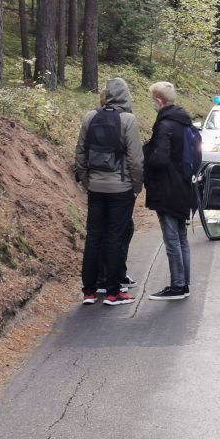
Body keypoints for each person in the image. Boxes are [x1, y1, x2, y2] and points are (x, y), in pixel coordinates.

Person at [74, 77, 144, 306]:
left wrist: (87, 181)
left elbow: (80, 154)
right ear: (126, 95)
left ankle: (89, 291)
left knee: (94, 237)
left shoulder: (90, 117)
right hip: (120, 189)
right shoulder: (128, 120)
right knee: (115, 237)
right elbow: (135, 160)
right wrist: (136, 186)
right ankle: (113, 292)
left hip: (95, 187)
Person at [143, 81, 196, 300]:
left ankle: (176, 286)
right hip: (184, 186)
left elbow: (161, 158)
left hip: (167, 187)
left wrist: (147, 153)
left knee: (172, 239)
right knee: (181, 238)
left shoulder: (165, 124)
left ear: (158, 100)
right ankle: (184, 284)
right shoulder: (184, 121)